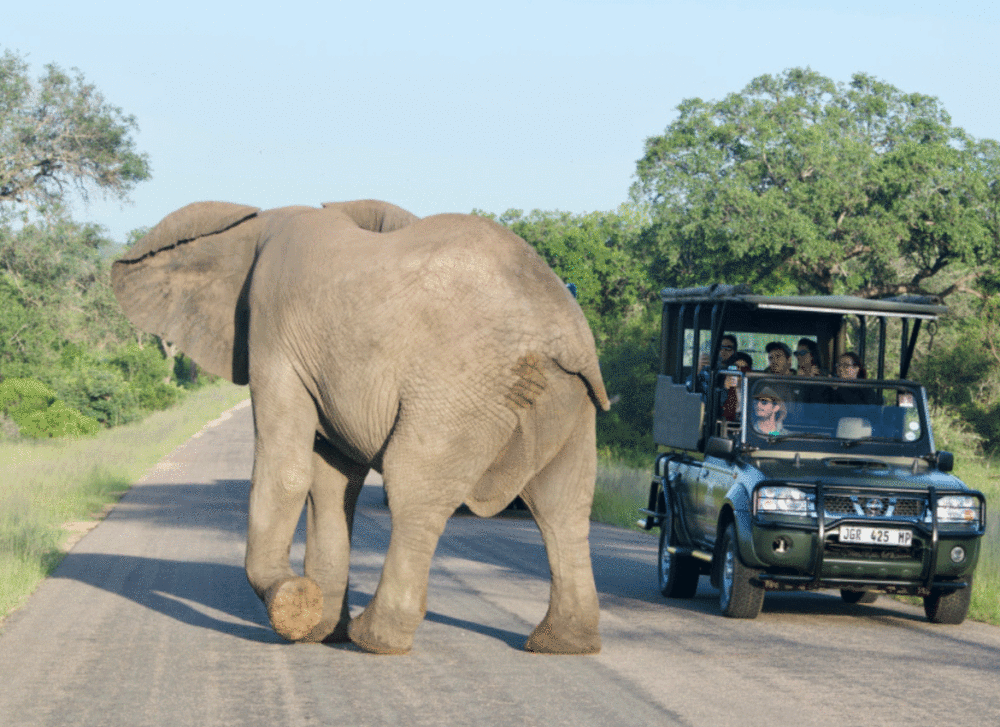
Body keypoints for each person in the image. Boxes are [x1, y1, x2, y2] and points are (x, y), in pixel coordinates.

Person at [721, 353, 753, 422]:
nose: (739, 372)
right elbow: (717, 410)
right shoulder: (719, 386)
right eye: (735, 367)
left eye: (744, 369)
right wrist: (726, 390)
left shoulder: (752, 389)